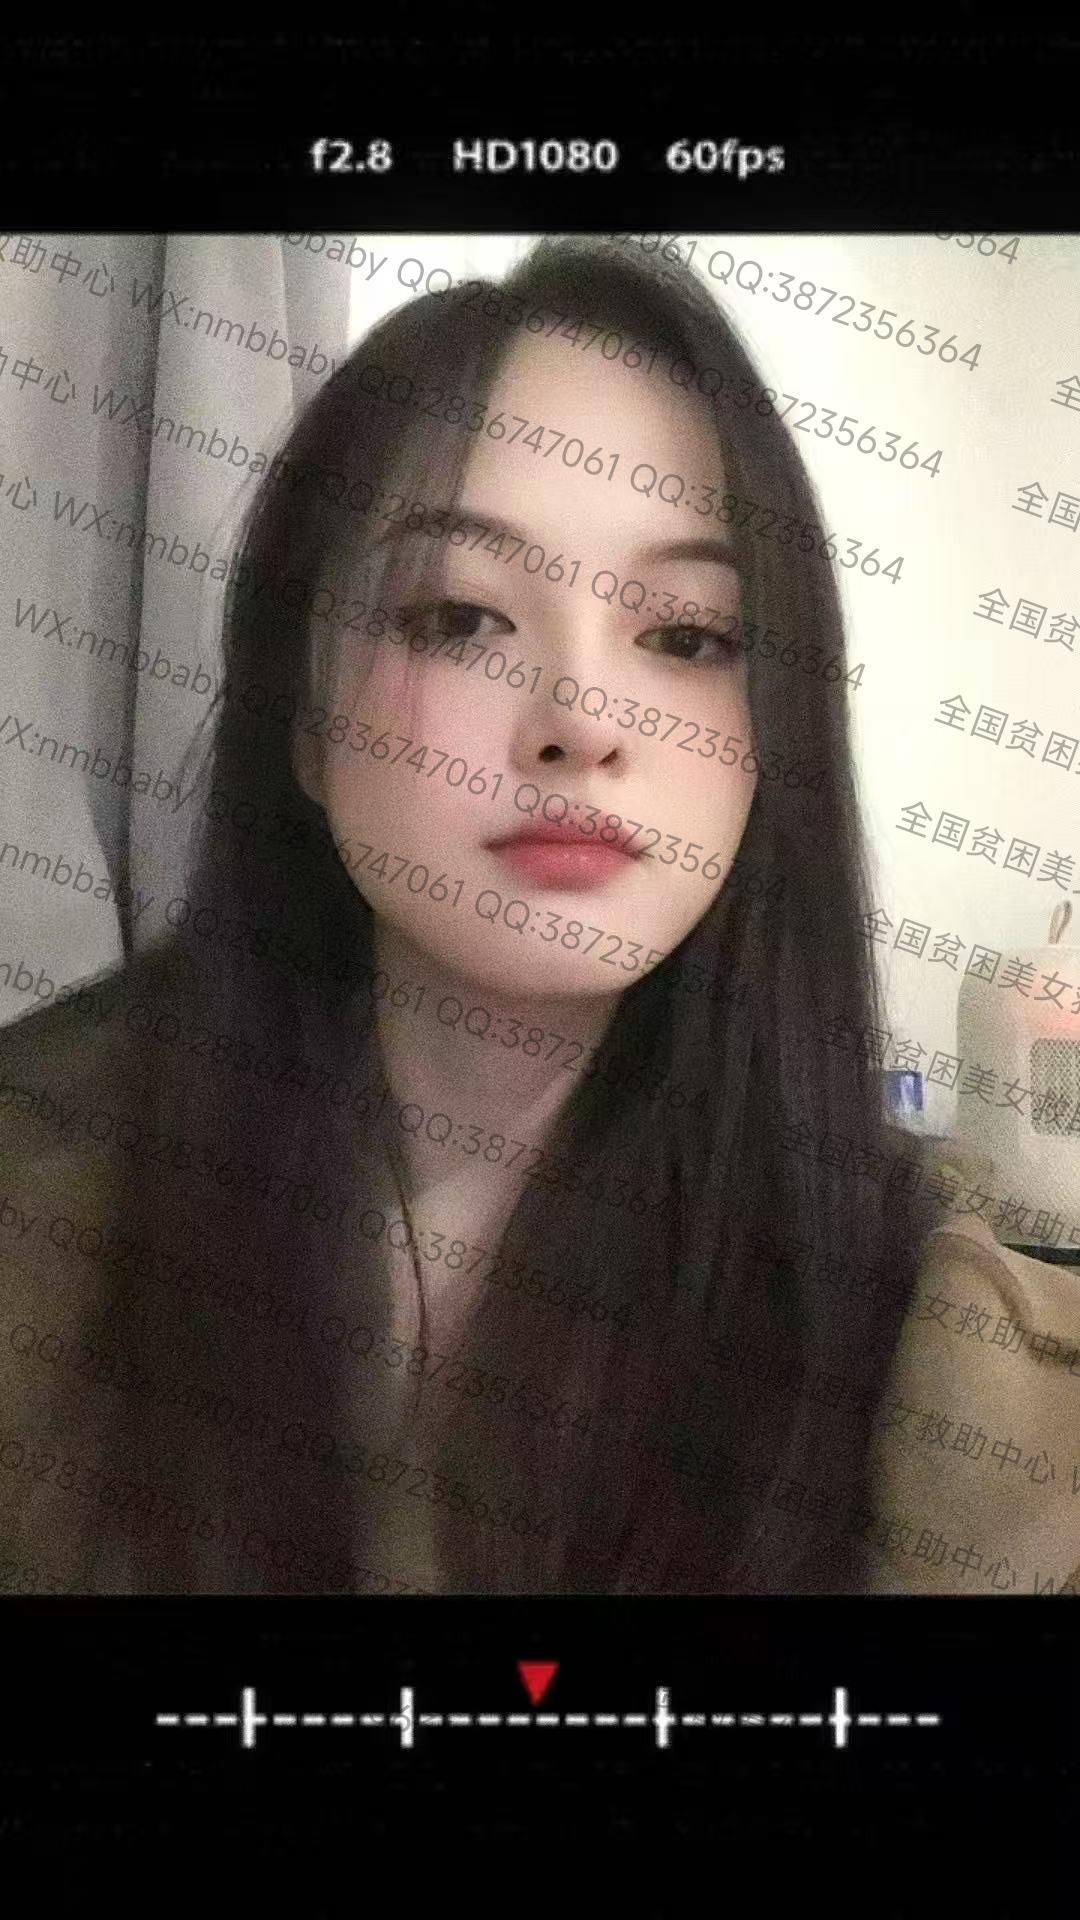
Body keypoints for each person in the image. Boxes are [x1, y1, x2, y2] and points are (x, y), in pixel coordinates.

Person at [2, 234, 1072, 1598]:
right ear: (307, 722)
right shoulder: (50, 1209)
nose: (582, 719)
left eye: (686, 637)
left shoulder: (943, 1344)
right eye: (461, 618)